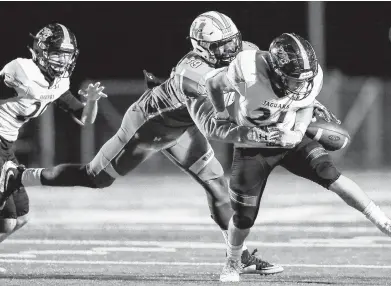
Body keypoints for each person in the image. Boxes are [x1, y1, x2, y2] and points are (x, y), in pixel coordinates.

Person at [0, 12, 284, 275]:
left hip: (182, 127)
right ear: (202, 47)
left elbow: (261, 75)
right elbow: (218, 121)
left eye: (232, 42)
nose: (230, 50)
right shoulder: (193, 72)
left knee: (217, 184)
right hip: (148, 127)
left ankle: (239, 255)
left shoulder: (244, 51)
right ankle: (22, 176)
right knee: (95, 178)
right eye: (221, 46)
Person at [204, 32, 391, 282]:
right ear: (277, 70)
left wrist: (298, 132)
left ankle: (385, 223)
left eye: (304, 80)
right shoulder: (249, 67)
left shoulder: (310, 79)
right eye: (293, 80)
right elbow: (213, 83)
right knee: (244, 216)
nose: (300, 86)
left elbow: (304, 105)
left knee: (330, 174)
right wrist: (220, 114)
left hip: (290, 137)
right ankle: (233, 261)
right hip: (254, 144)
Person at [0, 23, 107, 247]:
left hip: (7, 148)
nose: (62, 61)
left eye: (67, 55)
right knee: (7, 221)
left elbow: (85, 119)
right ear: (40, 52)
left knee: (21, 218)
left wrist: (92, 102)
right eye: (57, 53)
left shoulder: (59, 82)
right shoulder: (21, 71)